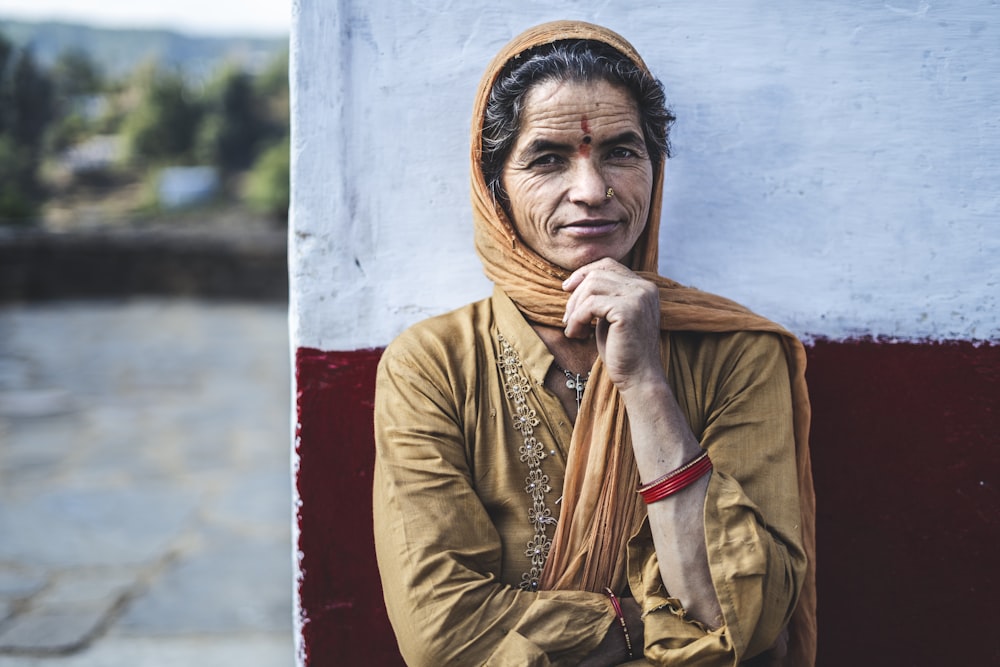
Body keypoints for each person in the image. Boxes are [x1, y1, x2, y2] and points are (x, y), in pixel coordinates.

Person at [373, 20, 816, 666]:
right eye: (549, 158)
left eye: (621, 152)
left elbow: (743, 614)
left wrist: (644, 383)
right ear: (495, 184)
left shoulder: (737, 354)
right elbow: (442, 633)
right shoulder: (433, 366)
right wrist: (653, 628)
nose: (591, 190)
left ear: (654, 168)